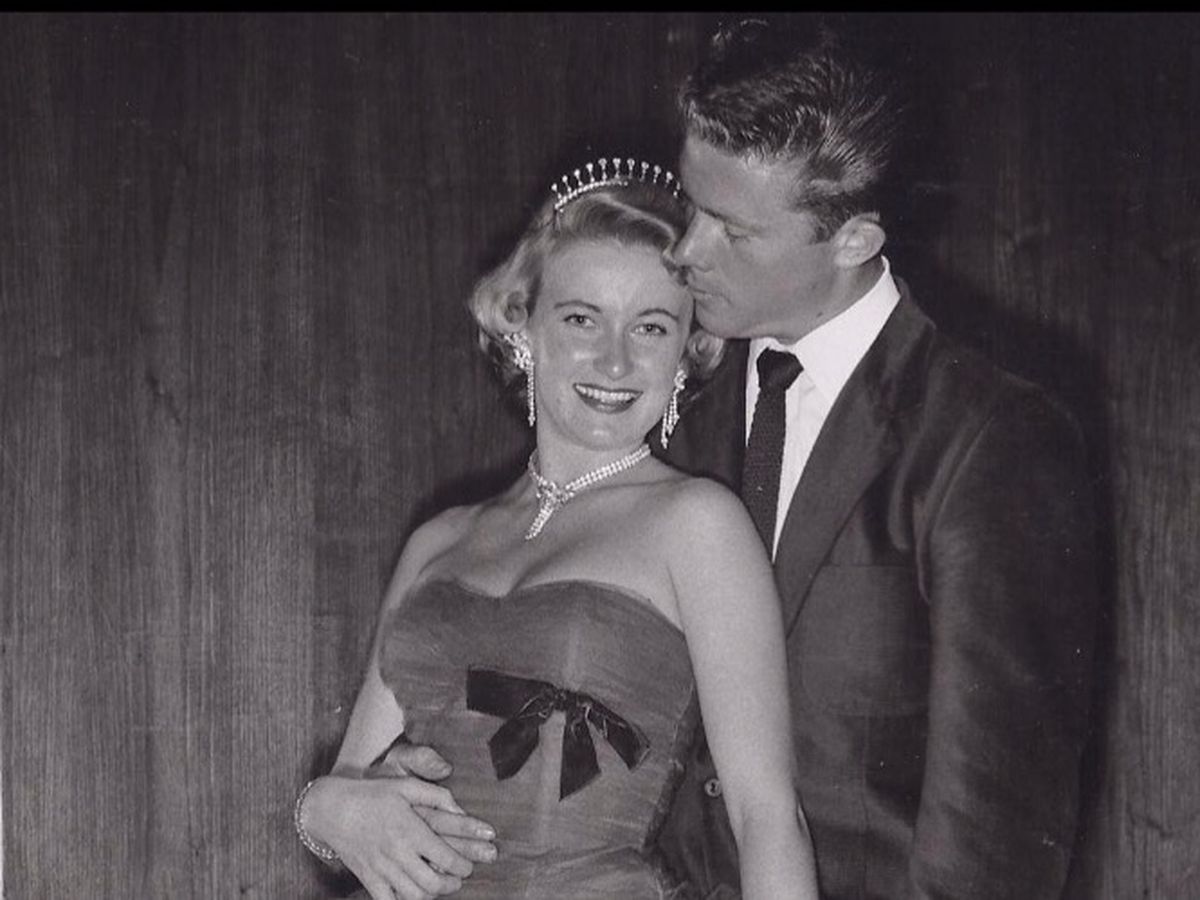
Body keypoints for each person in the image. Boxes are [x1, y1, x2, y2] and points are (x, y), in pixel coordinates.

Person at [653, 17, 1100, 900]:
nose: (684, 250)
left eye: (731, 231)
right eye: (689, 204)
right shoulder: (668, 396)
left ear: (854, 239)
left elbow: (995, 845)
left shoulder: (988, 439)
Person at [293, 158, 819, 900]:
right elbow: (350, 802)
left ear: (686, 353)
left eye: (651, 327)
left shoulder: (697, 524)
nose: (615, 359)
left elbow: (767, 818)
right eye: (581, 319)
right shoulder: (438, 541)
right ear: (522, 326)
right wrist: (321, 807)